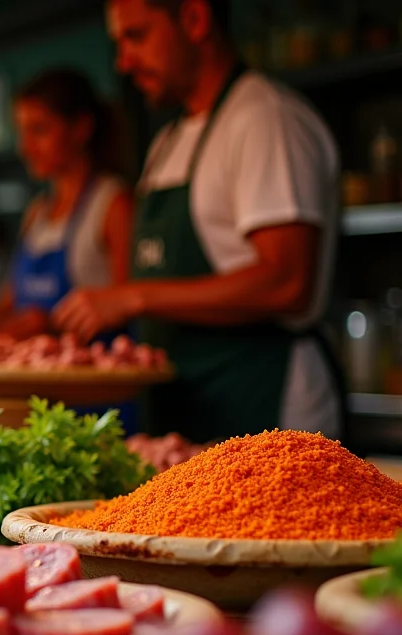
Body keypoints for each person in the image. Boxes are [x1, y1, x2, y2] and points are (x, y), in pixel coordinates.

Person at [53, 0, 343, 442]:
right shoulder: (167, 142)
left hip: (263, 400)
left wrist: (134, 298)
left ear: (194, 19)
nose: (123, 62)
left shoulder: (264, 119)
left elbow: (287, 282)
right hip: (186, 408)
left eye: (137, 36)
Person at [0, 69, 134, 339]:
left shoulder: (112, 203)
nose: (25, 148)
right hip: (33, 371)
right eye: (22, 132)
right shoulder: (37, 212)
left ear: (81, 129)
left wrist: (51, 324)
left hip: (90, 374)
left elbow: (129, 306)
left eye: (39, 130)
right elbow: (9, 301)